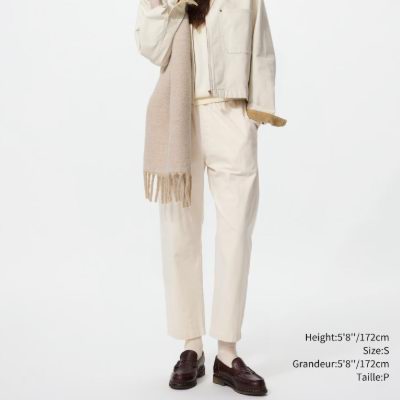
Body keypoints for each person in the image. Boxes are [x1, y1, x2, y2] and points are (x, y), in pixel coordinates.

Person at [135, 0, 286, 395]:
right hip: (179, 115)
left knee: (236, 235)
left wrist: (254, 117)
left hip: (231, 115)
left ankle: (227, 352)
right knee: (179, 234)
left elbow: (262, 49)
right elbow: (151, 48)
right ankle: (191, 346)